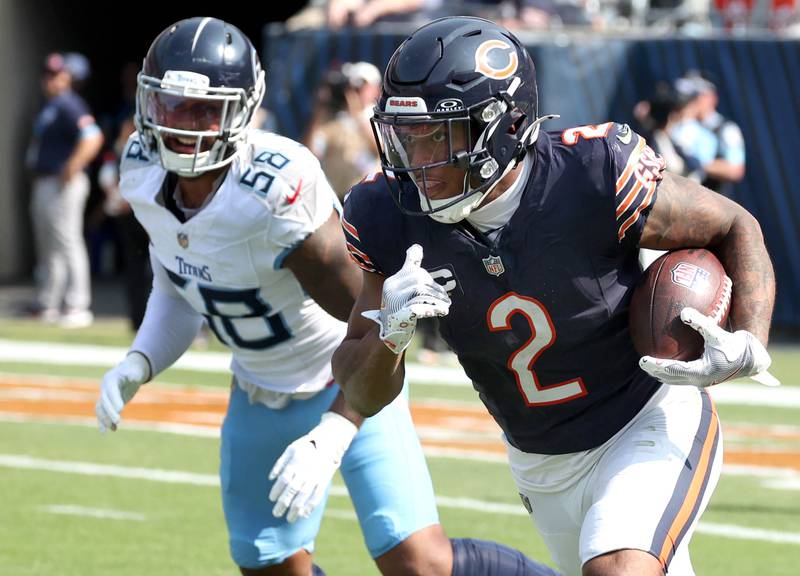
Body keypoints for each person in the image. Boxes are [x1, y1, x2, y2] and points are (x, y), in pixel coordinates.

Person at [94, 17, 559, 576]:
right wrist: (140, 360)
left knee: (417, 563)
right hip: (257, 388)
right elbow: (178, 278)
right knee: (269, 566)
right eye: (168, 106)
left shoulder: (272, 190)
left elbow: (370, 323)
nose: (179, 128)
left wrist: (339, 425)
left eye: (200, 110)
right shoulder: (143, 170)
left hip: (342, 377)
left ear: (241, 109)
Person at [333, 16, 778, 576]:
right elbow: (361, 387)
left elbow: (735, 225)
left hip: (645, 417)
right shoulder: (385, 215)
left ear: (501, 126)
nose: (419, 163)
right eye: (407, 138)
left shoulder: (593, 174)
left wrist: (750, 340)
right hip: (538, 458)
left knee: (617, 567)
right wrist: (388, 337)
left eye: (438, 138)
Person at [26, 52, 104, 328]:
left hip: (63, 184)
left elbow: (93, 137)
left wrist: (73, 165)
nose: (51, 80)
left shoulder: (71, 104)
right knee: (50, 247)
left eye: (57, 75)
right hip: (46, 182)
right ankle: (50, 303)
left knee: (67, 242)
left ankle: (77, 305)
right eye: (48, 74)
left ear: (67, 77)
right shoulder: (51, 106)